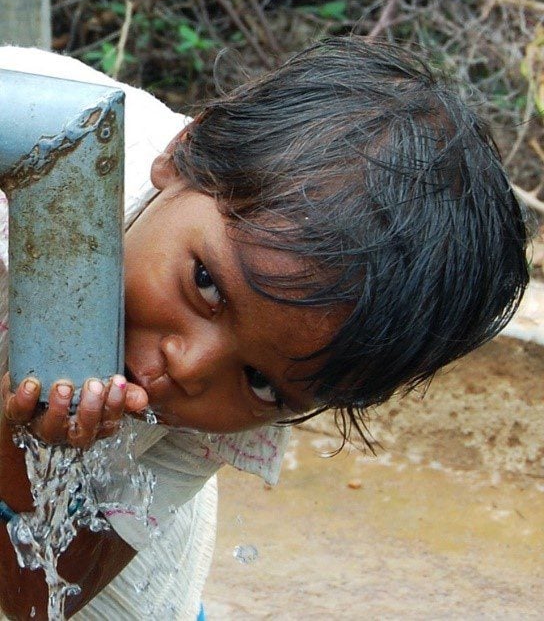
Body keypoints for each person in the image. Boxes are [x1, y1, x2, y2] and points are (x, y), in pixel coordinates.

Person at [0, 36, 529, 619]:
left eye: (262, 383)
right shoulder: (42, 141)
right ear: (183, 154)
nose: (188, 368)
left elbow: (37, 600)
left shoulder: (219, 419)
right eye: (206, 284)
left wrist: (19, 452)